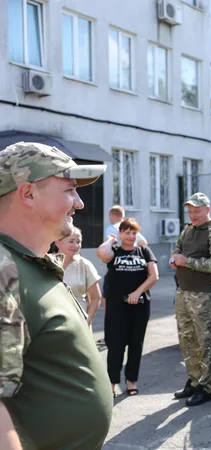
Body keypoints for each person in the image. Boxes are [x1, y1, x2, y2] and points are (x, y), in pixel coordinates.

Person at [0, 141, 111, 449]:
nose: (79, 203)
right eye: (69, 190)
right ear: (28, 194)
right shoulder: (3, 272)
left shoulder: (31, 264)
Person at [170, 193, 211, 407]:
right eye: (191, 211)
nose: (193, 215)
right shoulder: (188, 230)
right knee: (188, 340)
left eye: (197, 211)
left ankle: (207, 386)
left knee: (206, 341)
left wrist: (186, 262)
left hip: (204, 295)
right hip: (184, 292)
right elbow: (178, 249)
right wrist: (175, 259)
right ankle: (194, 380)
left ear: (207, 210)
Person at [96, 218, 159, 397]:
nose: (131, 236)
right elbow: (101, 253)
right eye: (127, 232)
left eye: (134, 233)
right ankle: (112, 382)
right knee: (115, 345)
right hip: (116, 306)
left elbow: (154, 276)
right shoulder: (113, 251)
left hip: (139, 306)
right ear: (120, 233)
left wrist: (137, 292)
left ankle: (131, 381)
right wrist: (110, 239)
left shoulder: (144, 251)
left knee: (135, 345)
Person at [55, 226, 102, 327]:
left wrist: (87, 321)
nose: (76, 245)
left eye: (78, 242)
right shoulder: (47, 262)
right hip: (52, 321)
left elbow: (96, 298)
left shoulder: (84, 264)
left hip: (79, 321)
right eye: (71, 241)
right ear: (57, 242)